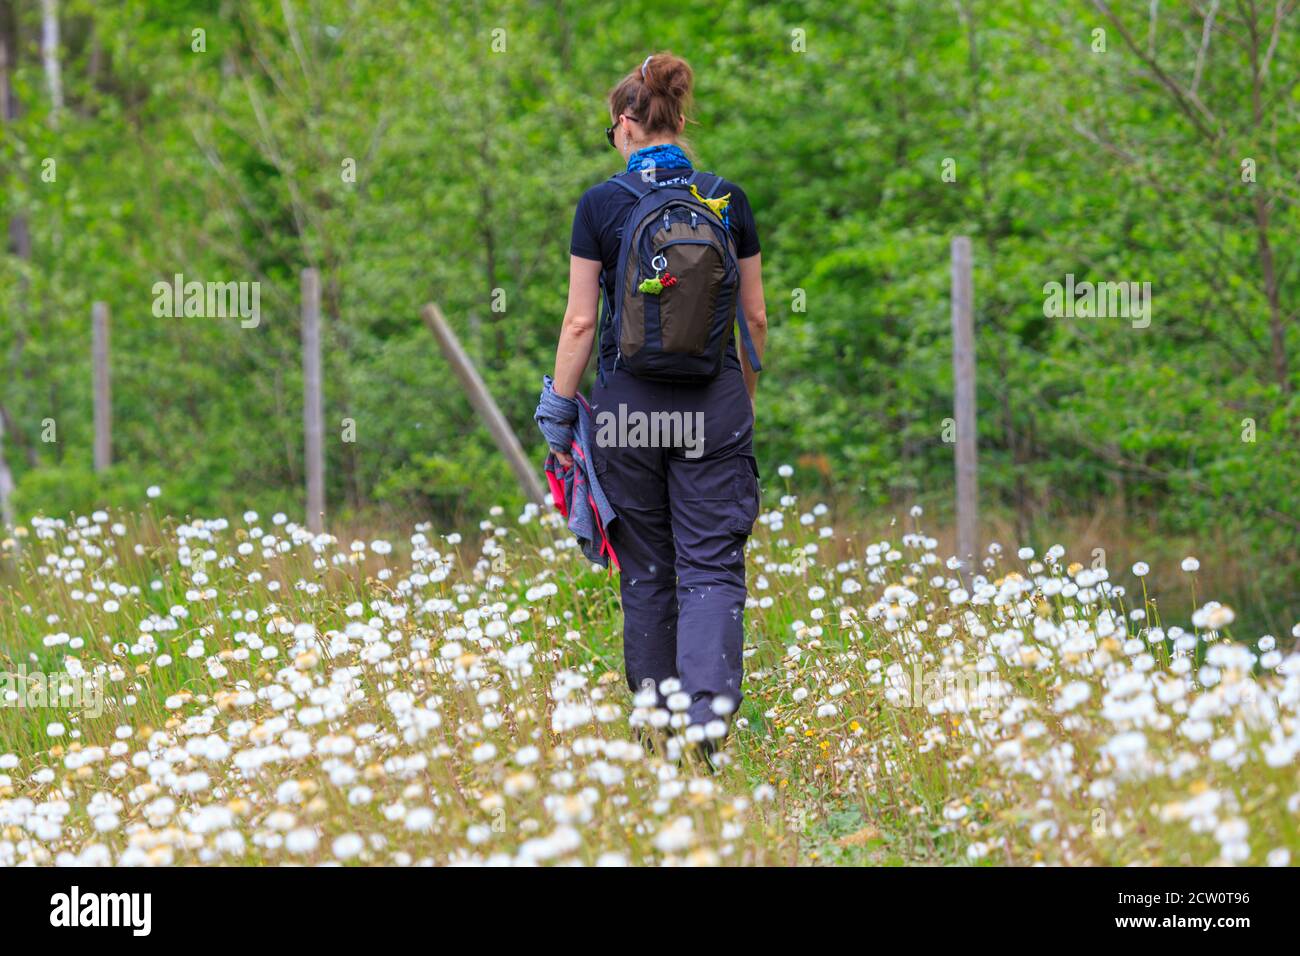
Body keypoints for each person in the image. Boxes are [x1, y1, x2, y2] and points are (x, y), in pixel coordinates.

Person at [542, 51, 768, 751]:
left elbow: (581, 322)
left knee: (645, 568)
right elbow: (755, 321)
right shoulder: (726, 199)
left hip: (628, 411)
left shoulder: (601, 204)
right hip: (713, 405)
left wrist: (558, 408)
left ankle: (659, 725)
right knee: (710, 564)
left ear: (627, 124)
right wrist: (742, 400)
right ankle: (707, 715)